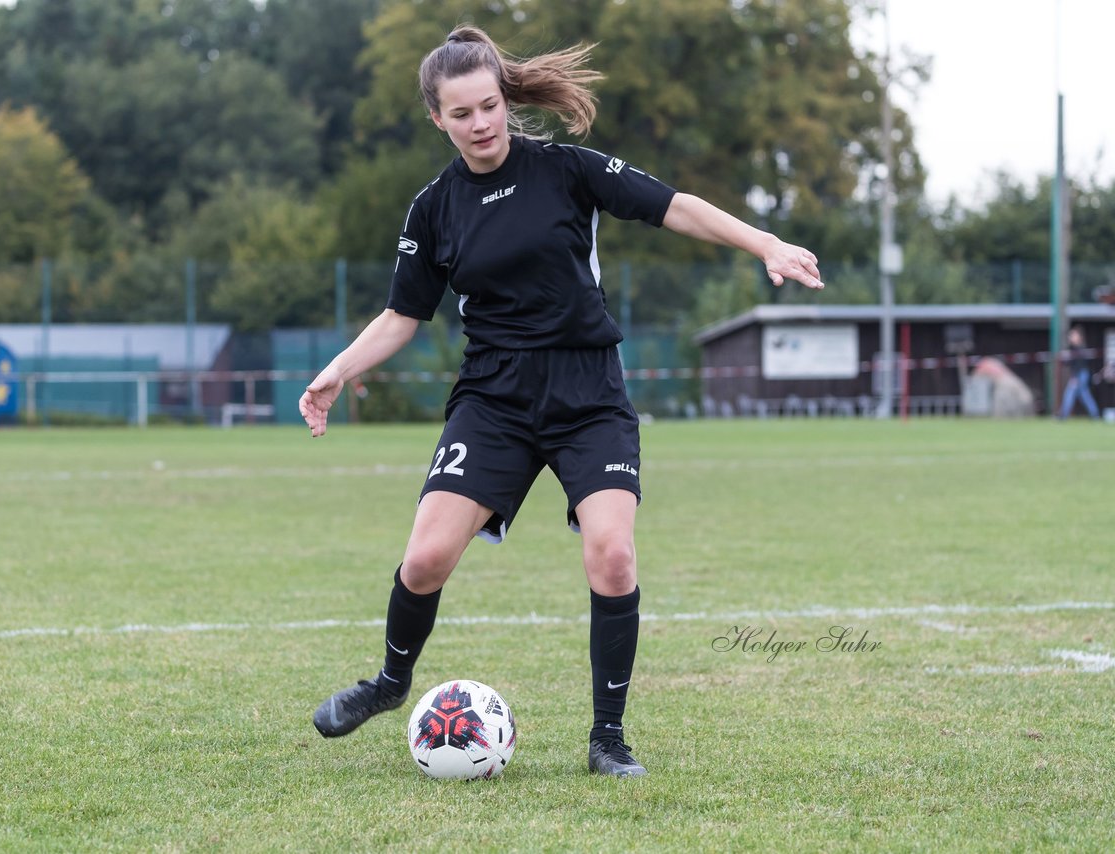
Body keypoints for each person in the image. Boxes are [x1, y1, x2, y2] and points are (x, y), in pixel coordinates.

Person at [299, 25, 824, 777]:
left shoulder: (567, 171)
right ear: (437, 119)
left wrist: (763, 242)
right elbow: (401, 317)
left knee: (612, 554)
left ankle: (607, 739)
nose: (480, 123)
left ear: (504, 98)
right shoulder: (433, 209)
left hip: (587, 391)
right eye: (462, 114)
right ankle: (388, 683)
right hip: (495, 398)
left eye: (489, 106)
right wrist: (337, 371)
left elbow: (671, 204)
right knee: (424, 560)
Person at [1057, 326, 1100, 420]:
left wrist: (1075, 377)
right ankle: (1095, 414)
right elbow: (1068, 363)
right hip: (1080, 374)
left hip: (1081, 374)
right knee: (1084, 394)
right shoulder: (1072, 348)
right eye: (1070, 335)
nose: (1071, 337)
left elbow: (1080, 365)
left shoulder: (1080, 348)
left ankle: (1063, 415)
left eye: (1073, 335)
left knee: (1070, 392)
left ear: (1079, 337)